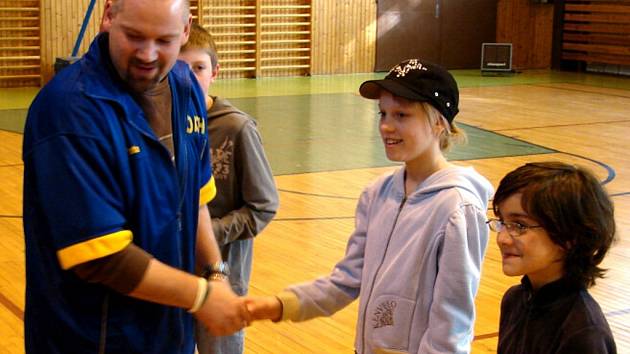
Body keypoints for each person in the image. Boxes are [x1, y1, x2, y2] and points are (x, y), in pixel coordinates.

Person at [22, 0, 250, 353]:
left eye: (165, 40)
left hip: (168, 334)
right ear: (109, 16)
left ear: (186, 29)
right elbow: (103, 258)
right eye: (134, 36)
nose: (148, 54)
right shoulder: (70, 111)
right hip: (92, 340)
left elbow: (196, 201)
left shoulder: (185, 86)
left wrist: (215, 273)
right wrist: (203, 296)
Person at [246, 59, 494, 354]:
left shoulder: (457, 208)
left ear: (439, 122)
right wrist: (276, 306)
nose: (387, 126)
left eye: (402, 114)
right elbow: (347, 280)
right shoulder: (377, 194)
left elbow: (451, 321)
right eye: (383, 113)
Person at [178, 23, 279, 354]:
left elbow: (262, 207)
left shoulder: (237, 128)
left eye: (199, 68)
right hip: (170, 271)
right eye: (181, 68)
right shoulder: (157, 124)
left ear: (215, 71)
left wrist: (205, 231)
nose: (190, 77)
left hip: (223, 274)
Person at [490, 162, 617, 354]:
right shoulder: (514, 299)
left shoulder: (583, 333)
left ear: (569, 236)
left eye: (520, 225)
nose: (502, 238)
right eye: (502, 223)